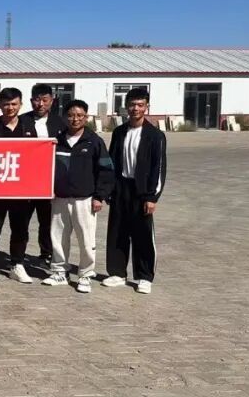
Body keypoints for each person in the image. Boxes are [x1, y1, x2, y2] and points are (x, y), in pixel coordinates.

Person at [45, 100, 115, 294]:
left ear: (86, 117)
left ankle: (85, 275)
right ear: (65, 117)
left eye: (79, 115)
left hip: (85, 200)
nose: (75, 119)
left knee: (86, 240)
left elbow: (106, 170)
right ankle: (59, 271)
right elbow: (47, 167)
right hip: (60, 198)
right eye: (71, 115)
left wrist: (99, 196)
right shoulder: (57, 141)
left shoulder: (94, 141)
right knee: (58, 237)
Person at [102, 88, 166, 295]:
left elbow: (158, 168)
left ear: (146, 107)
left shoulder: (155, 136)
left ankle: (144, 276)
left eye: (140, 105)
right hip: (121, 188)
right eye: (132, 105)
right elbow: (111, 161)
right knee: (117, 232)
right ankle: (117, 273)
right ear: (126, 107)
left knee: (142, 235)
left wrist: (152, 197)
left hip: (142, 191)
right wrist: (108, 189)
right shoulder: (119, 132)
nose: (135, 109)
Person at [0, 87, 36, 285]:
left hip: (21, 190)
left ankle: (17, 264)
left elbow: (36, 156)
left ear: (20, 105)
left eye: (14, 104)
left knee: (20, 229)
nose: (10, 108)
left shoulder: (29, 128)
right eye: (6, 104)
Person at [20, 83, 65, 266]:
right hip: (26, 182)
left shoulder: (60, 123)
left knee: (47, 221)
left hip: (49, 183)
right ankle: (18, 255)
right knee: (21, 221)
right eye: (37, 100)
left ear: (51, 101)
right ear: (31, 101)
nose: (40, 104)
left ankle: (46, 254)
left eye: (45, 100)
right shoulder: (21, 121)